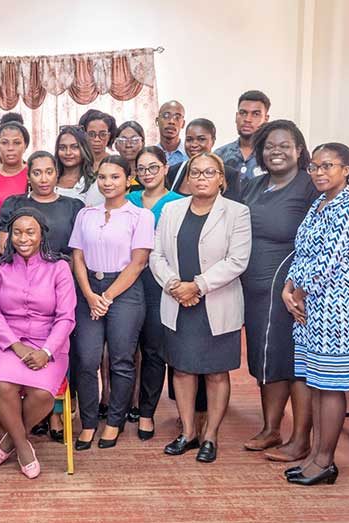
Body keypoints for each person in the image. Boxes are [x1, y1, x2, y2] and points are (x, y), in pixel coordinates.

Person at [150, 152, 252, 463]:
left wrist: (197, 286)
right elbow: (157, 256)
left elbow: (237, 261)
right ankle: (189, 432)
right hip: (179, 303)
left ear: (222, 178)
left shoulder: (237, 212)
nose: (201, 177)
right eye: (195, 172)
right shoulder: (171, 210)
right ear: (187, 177)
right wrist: (175, 286)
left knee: (216, 373)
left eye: (209, 172)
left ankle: (211, 436)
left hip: (217, 302)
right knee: (181, 369)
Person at [283, 143, 349, 485]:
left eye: (327, 166)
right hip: (308, 308)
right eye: (314, 166)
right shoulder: (318, 204)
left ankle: (326, 462)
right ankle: (315, 456)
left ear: (346, 170)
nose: (318, 172)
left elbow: (329, 263)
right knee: (316, 384)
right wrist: (288, 288)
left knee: (331, 387)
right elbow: (301, 252)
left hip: (334, 309)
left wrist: (295, 294)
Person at [240, 120, 318, 462]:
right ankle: (271, 429)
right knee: (265, 359)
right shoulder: (254, 186)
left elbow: (319, 241)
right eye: (270, 145)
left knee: (294, 363)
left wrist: (299, 285)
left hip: (290, 291)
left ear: (299, 150)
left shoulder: (309, 186)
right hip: (254, 289)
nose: (276, 151)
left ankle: (300, 439)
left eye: (285, 145)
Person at [0, 207, 76, 478]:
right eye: (17, 232)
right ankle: (23, 446)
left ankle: (11, 437)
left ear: (41, 235)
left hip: (50, 343)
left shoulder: (59, 268)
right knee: (2, 387)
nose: (23, 238)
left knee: (43, 394)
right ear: (9, 236)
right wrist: (15, 345)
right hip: (5, 343)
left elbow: (66, 317)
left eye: (30, 232)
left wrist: (47, 351)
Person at [69, 155, 154, 450]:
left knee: (121, 360)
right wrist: (91, 295)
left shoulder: (140, 216)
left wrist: (106, 297)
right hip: (88, 289)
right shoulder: (85, 214)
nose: (108, 183)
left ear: (128, 179)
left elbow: (139, 262)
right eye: (102, 177)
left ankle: (114, 422)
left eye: (115, 177)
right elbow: (77, 256)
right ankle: (89, 422)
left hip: (125, 291)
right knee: (87, 359)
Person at [126, 147, 184, 439]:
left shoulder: (178, 203)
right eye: (142, 169)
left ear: (165, 168)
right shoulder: (128, 200)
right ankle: (122, 404)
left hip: (159, 283)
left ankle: (147, 412)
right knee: (125, 348)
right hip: (127, 280)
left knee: (152, 350)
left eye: (153, 167)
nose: (147, 174)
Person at [167, 118, 242, 202]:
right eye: (189, 139)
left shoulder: (229, 175)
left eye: (201, 139)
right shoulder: (174, 171)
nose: (194, 144)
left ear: (213, 141)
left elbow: (231, 211)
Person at [215, 90, 271, 181]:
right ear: (236, 116)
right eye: (243, 113)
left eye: (256, 114)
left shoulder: (271, 155)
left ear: (266, 119)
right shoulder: (220, 155)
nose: (247, 119)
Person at [54, 125, 103, 205]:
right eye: (62, 148)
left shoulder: (94, 183)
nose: (68, 153)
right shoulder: (50, 180)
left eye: (74, 147)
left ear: (84, 149)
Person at [155, 101, 188, 166]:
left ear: (183, 124)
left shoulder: (190, 155)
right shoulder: (150, 155)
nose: (171, 121)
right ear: (157, 121)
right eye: (166, 116)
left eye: (177, 117)